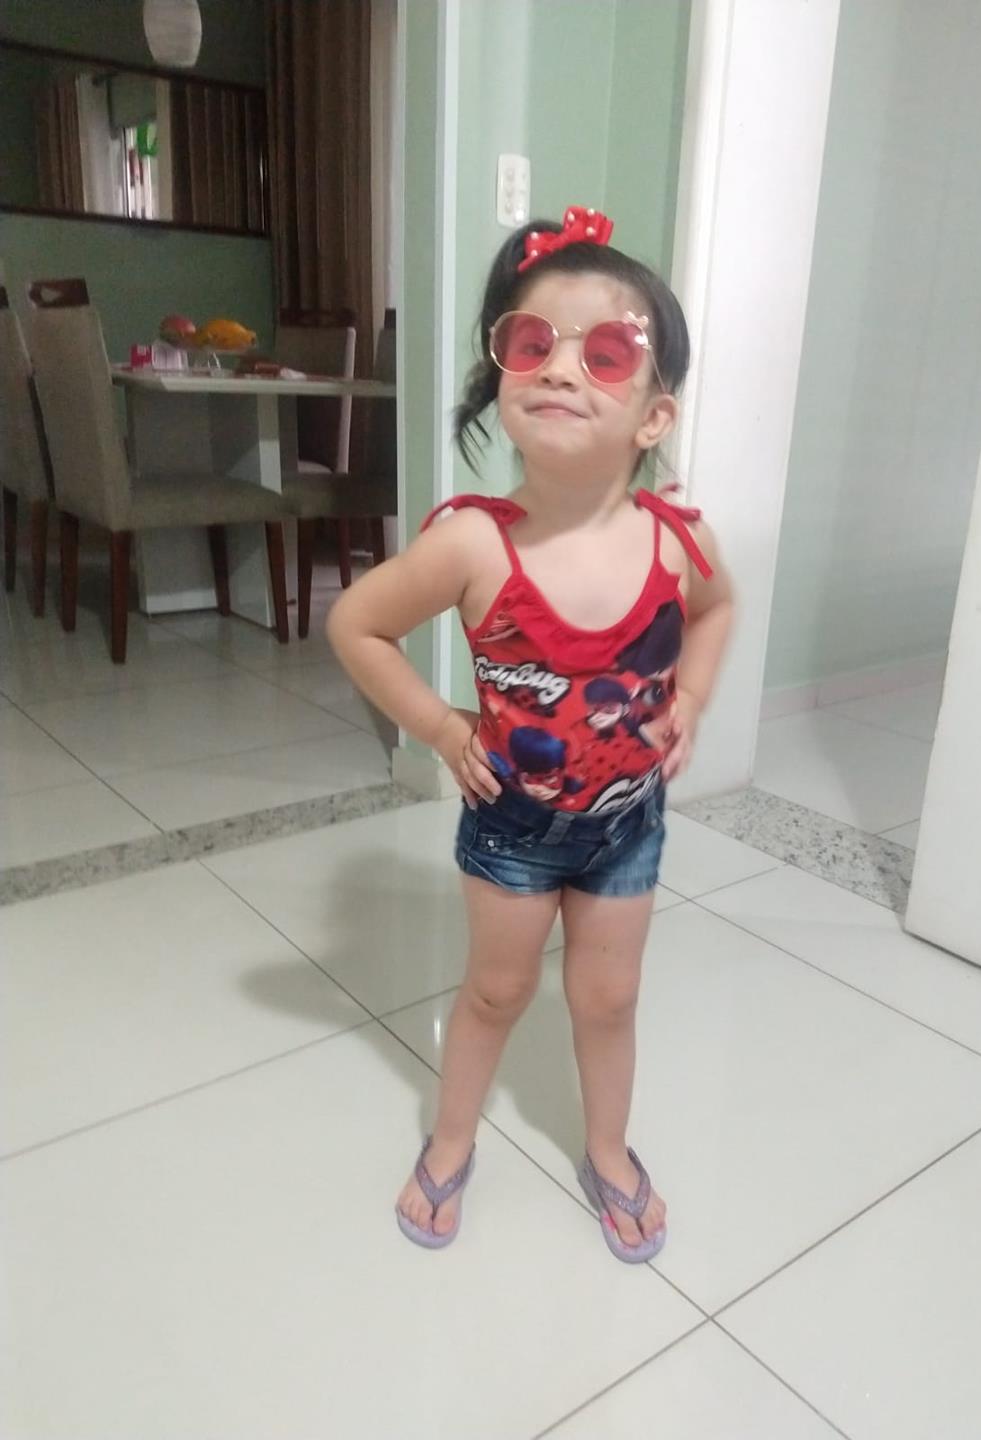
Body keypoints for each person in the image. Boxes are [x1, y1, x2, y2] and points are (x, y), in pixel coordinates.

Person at [327, 205, 735, 1263]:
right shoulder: (473, 541)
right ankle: (451, 1138)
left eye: (606, 354)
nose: (559, 367)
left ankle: (605, 1148)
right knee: (498, 989)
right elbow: (356, 624)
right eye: (532, 341)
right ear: (503, 372)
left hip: (628, 824)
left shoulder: (678, 540)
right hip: (511, 824)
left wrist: (691, 699)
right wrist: (437, 724)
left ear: (653, 416)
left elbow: (716, 609)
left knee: (610, 998)